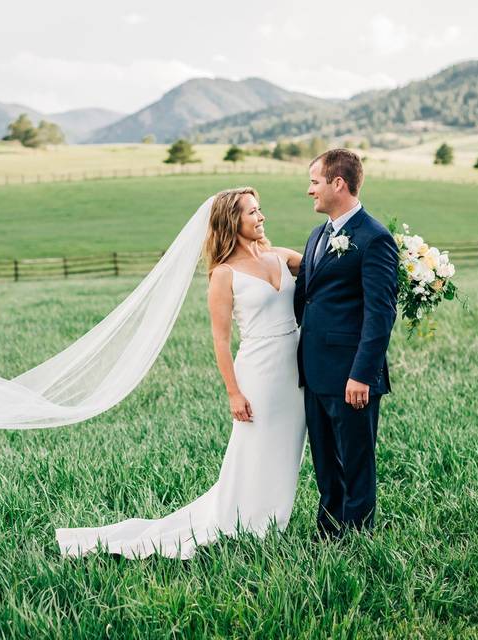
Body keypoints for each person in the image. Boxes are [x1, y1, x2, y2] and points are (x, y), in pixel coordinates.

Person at [55, 187, 307, 559]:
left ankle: (273, 519)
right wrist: (234, 393)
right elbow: (221, 341)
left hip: (295, 372)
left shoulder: (282, 257)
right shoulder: (224, 275)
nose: (261, 217)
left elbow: (334, 274)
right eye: (252, 212)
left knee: (287, 450)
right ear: (231, 221)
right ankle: (243, 522)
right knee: (253, 449)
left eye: (260, 210)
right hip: (259, 373)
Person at [293, 149, 399, 540]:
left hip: (352, 376)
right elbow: (306, 296)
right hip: (315, 370)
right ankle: (329, 530)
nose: (310, 191)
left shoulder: (374, 238)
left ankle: (357, 536)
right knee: (324, 460)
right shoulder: (317, 235)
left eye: (314, 182)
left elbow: (380, 314)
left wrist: (362, 374)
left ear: (338, 184)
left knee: (355, 460)